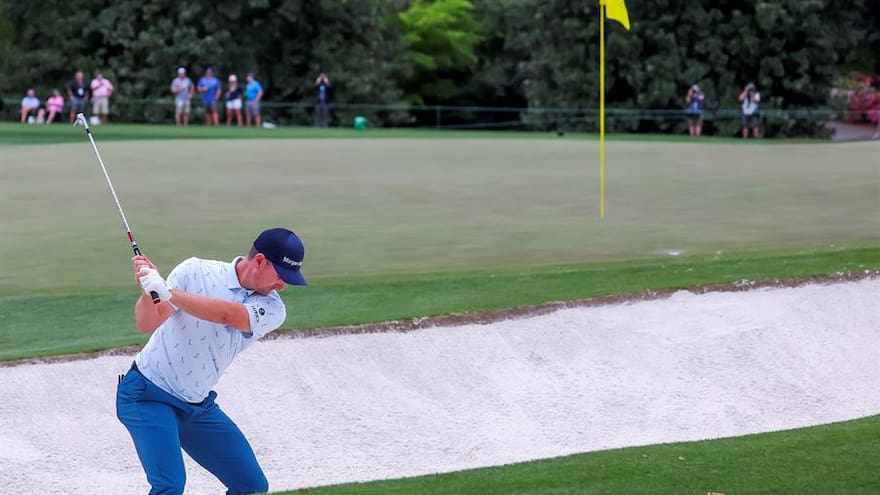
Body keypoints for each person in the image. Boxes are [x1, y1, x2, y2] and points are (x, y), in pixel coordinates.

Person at [117, 227, 307, 495]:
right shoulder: (195, 271)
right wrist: (149, 290)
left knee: (251, 486)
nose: (282, 285)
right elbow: (146, 322)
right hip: (147, 395)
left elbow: (228, 315)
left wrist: (169, 292)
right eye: (281, 275)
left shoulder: (274, 308)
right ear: (260, 261)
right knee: (169, 486)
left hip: (196, 406)